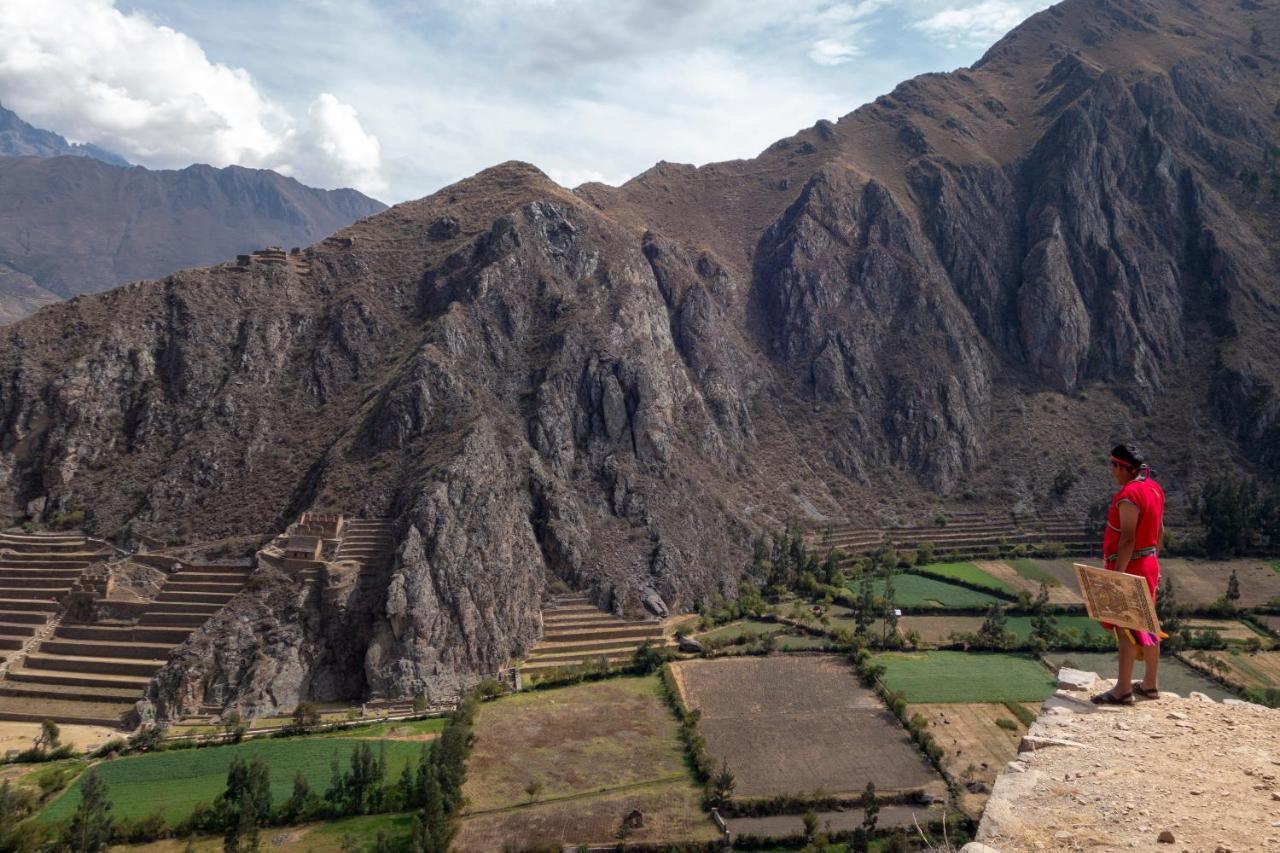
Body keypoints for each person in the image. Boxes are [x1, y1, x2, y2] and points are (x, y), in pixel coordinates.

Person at [1092, 443, 1167, 705]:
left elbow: (1127, 539)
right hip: (1149, 562)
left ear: (1125, 468)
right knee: (1147, 624)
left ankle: (1122, 689)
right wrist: (1155, 559)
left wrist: (1118, 576)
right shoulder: (1154, 489)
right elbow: (1159, 531)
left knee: (1125, 627)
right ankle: (1149, 684)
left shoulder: (1130, 495)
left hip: (1132, 565)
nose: (1112, 470)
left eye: (1114, 465)